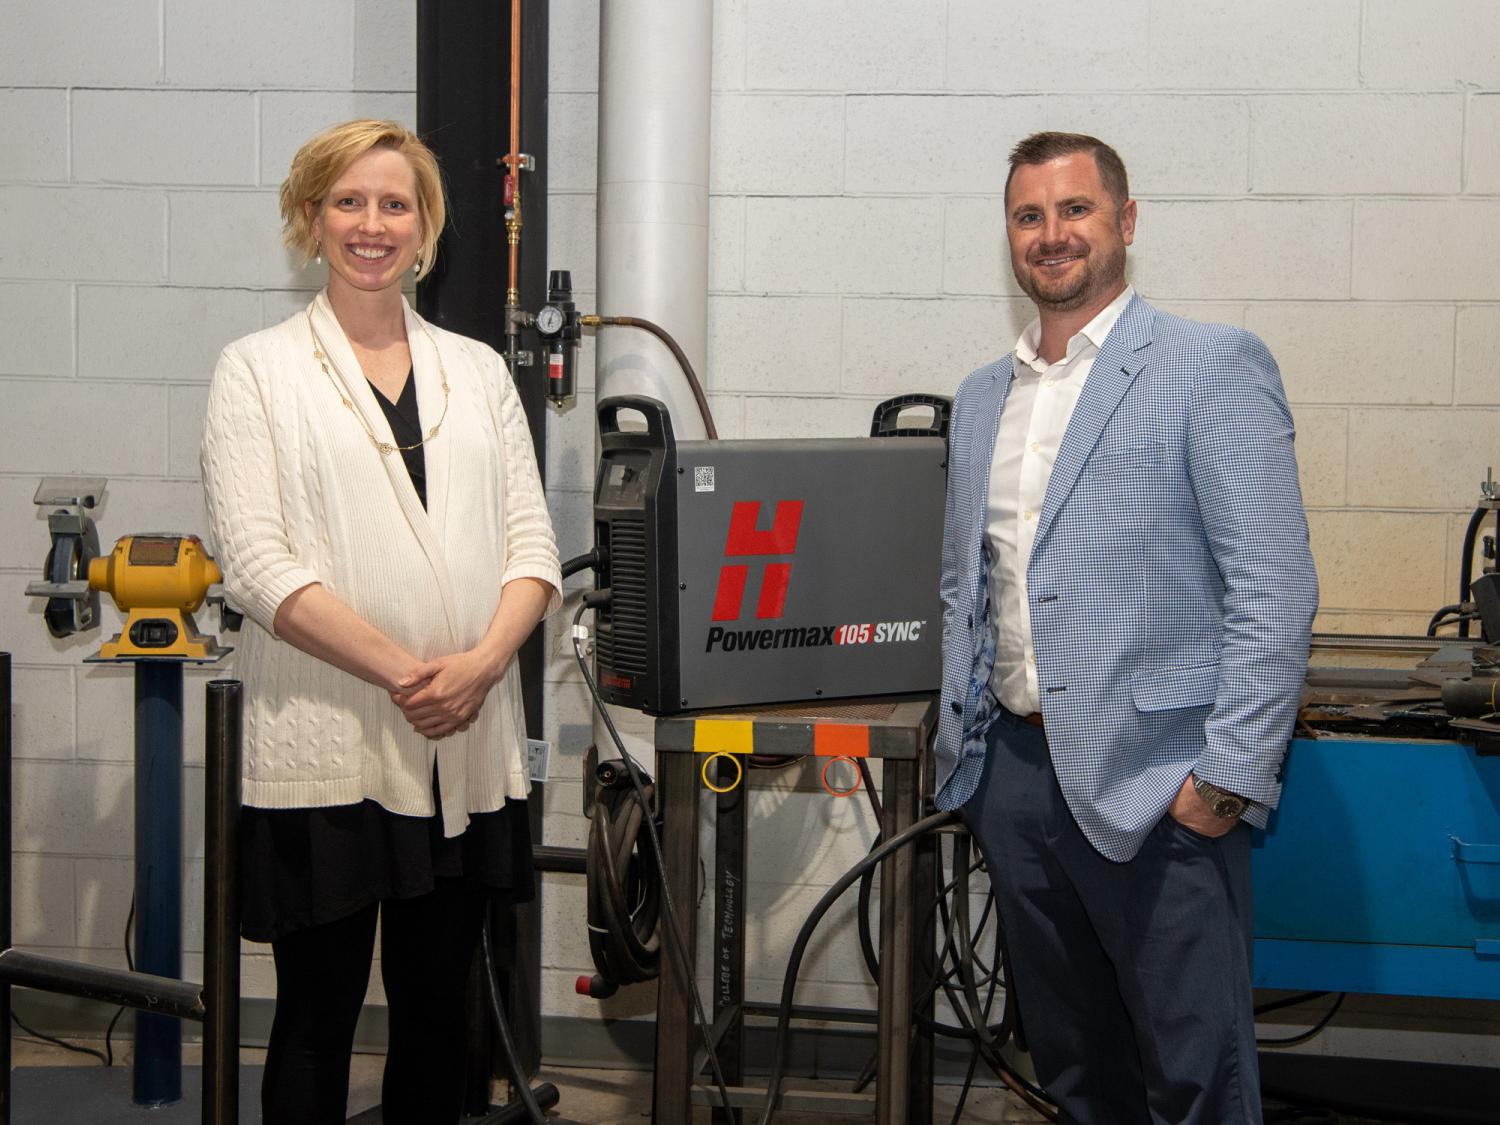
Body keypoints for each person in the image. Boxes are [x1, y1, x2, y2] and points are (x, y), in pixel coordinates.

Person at [934, 131, 1318, 1124]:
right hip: (1016, 782)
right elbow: (967, 586)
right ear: (1009, 236)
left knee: (1198, 1079)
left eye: (1075, 210)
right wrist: (968, 766)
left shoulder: (1206, 366)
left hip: (1161, 789)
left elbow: (1275, 591)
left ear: (1125, 223)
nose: (1052, 235)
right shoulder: (983, 398)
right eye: (1029, 216)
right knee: (1074, 1073)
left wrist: (1223, 780)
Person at [200, 119, 561, 1124]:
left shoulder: (479, 372)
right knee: (315, 1015)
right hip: (331, 746)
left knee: (439, 1014)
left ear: (425, 226)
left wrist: (482, 664)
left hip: (466, 742)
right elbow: (258, 565)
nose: (372, 224)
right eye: (347, 202)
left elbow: (531, 546)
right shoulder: (256, 370)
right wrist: (414, 674)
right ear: (310, 220)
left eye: (395, 204)